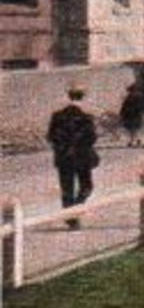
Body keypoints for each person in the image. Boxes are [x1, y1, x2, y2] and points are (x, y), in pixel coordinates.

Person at [47, 87, 99, 227]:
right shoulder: (86, 117)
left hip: (64, 158)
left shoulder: (57, 116)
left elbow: (51, 136)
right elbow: (92, 138)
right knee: (87, 186)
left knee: (67, 189)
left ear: (69, 97)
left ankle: (71, 217)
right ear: (82, 98)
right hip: (82, 157)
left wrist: (63, 148)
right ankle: (75, 210)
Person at [118, 80, 144, 147]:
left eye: (131, 90)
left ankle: (133, 141)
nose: (130, 92)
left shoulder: (135, 97)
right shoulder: (132, 97)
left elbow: (125, 106)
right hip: (134, 114)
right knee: (134, 128)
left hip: (133, 114)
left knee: (133, 128)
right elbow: (124, 106)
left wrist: (122, 113)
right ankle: (137, 139)